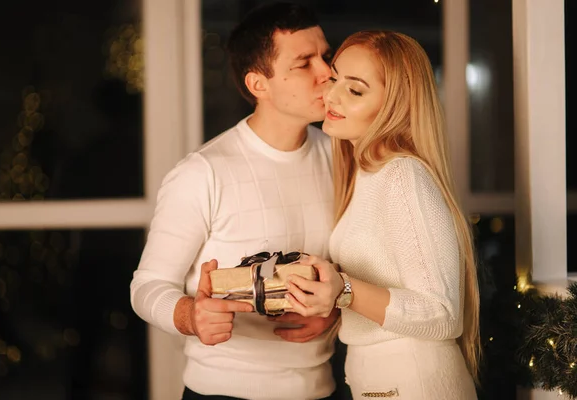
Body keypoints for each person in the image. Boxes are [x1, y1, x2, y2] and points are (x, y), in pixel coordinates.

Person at [130, 3, 340, 399]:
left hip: (323, 389)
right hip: (221, 391)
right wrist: (190, 316)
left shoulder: (344, 158)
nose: (327, 72)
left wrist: (338, 313)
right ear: (259, 84)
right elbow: (147, 286)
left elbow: (359, 272)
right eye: (304, 63)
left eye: (325, 56)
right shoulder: (202, 172)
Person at [284, 30, 481, 399]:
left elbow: (442, 313)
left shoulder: (402, 175)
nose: (331, 95)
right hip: (378, 380)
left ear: (395, 106)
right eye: (335, 78)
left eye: (355, 90)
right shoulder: (365, 173)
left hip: (415, 381)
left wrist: (342, 290)